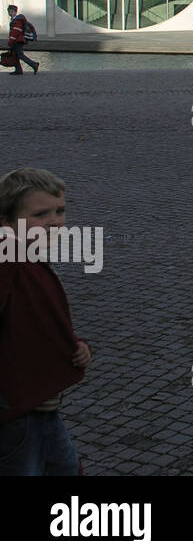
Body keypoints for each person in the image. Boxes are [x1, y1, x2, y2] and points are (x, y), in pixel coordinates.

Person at [0, 168, 93, 475]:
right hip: (17, 416)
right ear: (6, 221)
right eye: (40, 214)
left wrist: (75, 345)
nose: (54, 221)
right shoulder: (9, 258)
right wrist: (15, 399)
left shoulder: (25, 253)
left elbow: (35, 325)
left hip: (38, 407)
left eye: (60, 211)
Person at [6, 5, 38, 75]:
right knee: (16, 55)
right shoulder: (15, 20)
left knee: (20, 55)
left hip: (18, 40)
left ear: (15, 12)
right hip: (17, 40)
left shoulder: (17, 20)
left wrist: (11, 41)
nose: (10, 13)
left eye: (11, 11)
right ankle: (18, 70)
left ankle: (34, 64)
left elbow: (16, 31)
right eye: (9, 11)